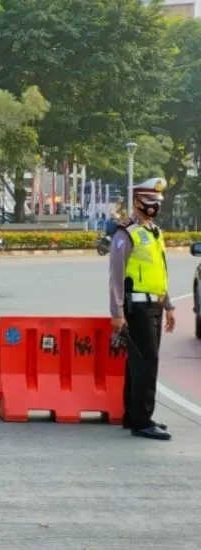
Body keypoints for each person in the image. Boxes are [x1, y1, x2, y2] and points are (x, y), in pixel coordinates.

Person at [109, 177, 175, 441]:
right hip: (137, 307)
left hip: (155, 304)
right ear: (136, 202)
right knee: (147, 363)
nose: (153, 207)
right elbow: (115, 276)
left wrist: (168, 304)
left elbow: (159, 272)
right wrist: (117, 313)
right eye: (148, 202)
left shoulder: (154, 232)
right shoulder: (126, 233)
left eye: (156, 203)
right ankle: (142, 421)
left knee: (137, 364)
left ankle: (133, 415)